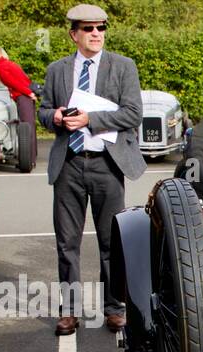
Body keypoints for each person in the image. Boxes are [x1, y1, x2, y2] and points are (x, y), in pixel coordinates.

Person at [39, 4, 146, 335]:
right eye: (89, 29)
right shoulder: (57, 70)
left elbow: (133, 113)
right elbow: (43, 112)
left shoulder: (123, 66)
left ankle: (114, 308)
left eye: (101, 28)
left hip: (106, 164)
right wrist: (56, 117)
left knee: (111, 242)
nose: (96, 33)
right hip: (69, 164)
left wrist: (91, 119)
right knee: (67, 243)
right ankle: (70, 311)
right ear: (74, 34)